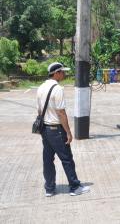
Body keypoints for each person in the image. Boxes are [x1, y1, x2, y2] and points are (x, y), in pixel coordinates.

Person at [37, 62, 90, 197]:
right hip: (56, 129)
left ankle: (49, 188)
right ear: (56, 73)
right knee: (67, 159)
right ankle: (74, 187)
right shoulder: (57, 89)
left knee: (48, 159)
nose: (64, 74)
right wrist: (68, 132)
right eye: (62, 72)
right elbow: (61, 113)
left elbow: (39, 110)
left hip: (45, 130)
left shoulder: (41, 87)